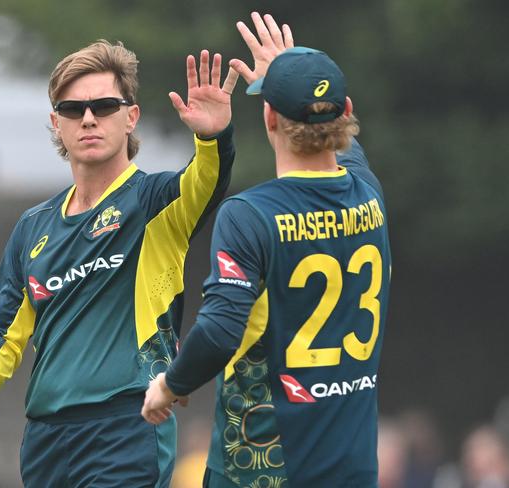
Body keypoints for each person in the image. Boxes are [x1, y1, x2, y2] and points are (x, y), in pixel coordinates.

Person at [0, 39, 238, 488]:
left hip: (128, 423)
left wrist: (212, 138)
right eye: (73, 109)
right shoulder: (33, 226)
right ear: (57, 123)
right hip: (46, 437)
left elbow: (205, 181)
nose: (88, 118)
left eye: (104, 105)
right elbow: (2, 326)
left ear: (131, 116)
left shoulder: (155, 202)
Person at [143, 12, 392, 488]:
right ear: (346, 112)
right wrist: (294, 73)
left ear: (270, 116)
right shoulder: (368, 195)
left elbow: (218, 332)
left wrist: (169, 385)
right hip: (354, 467)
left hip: (264, 468)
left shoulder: (249, 215)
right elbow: (346, 146)